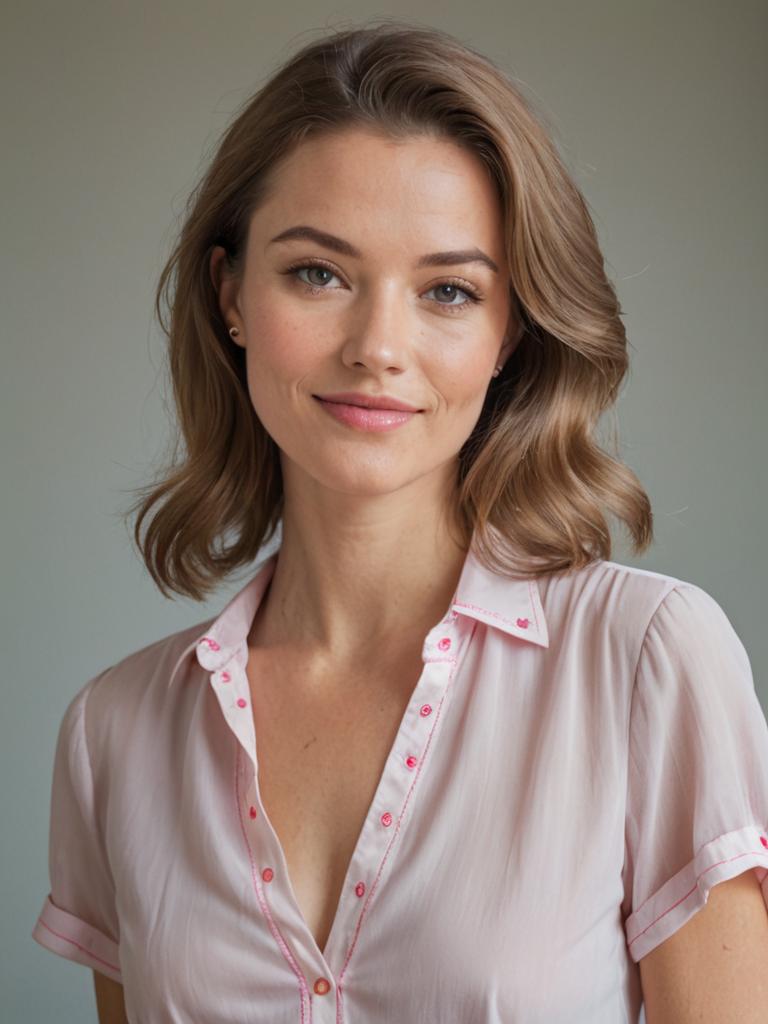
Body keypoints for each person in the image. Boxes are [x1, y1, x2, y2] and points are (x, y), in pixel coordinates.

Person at [32, 20, 768, 1024]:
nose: (379, 346)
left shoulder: (647, 663)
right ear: (230, 294)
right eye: (318, 274)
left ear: (509, 332)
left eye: (449, 291)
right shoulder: (114, 736)